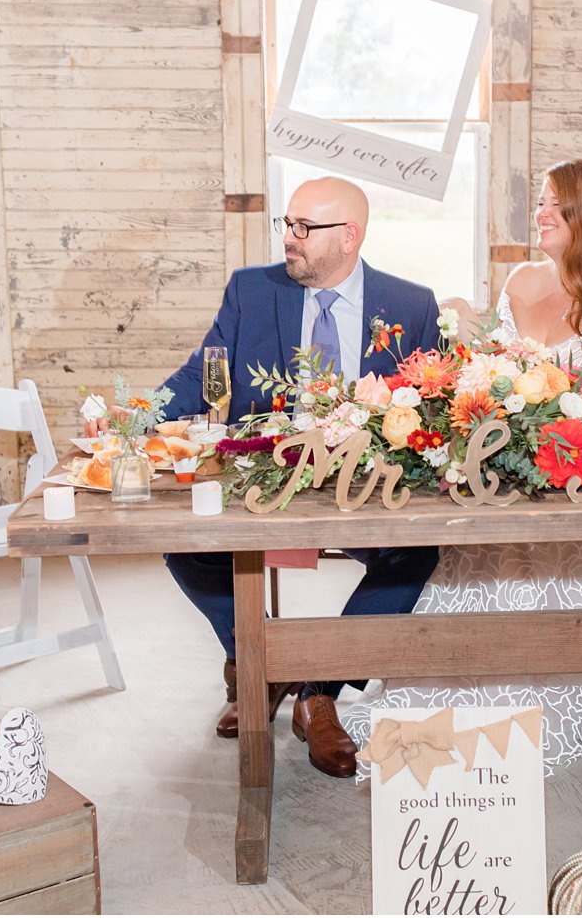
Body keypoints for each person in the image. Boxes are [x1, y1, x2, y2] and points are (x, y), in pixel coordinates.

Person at [340, 158, 582, 770]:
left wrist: (535, 407)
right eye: (540, 201)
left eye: (554, 204)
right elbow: (490, 372)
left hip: (574, 493)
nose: (539, 213)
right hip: (499, 481)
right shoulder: (520, 279)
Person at [161, 176, 442, 779]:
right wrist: (133, 418)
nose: (289, 238)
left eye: (303, 228)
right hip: (261, 473)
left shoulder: (412, 305)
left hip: (365, 482)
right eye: (286, 225)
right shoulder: (250, 291)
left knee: (416, 552)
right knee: (182, 538)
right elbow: (200, 375)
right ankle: (256, 663)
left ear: (349, 237)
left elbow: (430, 401)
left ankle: (319, 690)